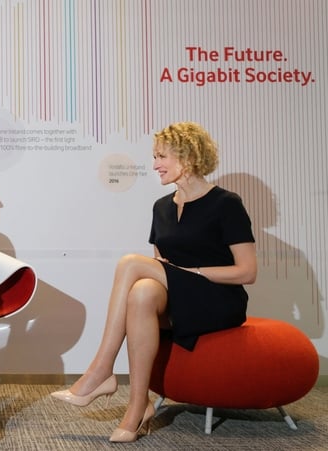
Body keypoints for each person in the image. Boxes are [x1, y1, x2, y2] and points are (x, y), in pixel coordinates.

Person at [51, 122, 257, 443]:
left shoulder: (226, 203)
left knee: (130, 263)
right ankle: (138, 407)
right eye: (154, 156)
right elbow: (160, 265)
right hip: (179, 300)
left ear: (187, 157)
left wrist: (194, 272)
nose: (154, 164)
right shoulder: (161, 207)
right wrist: (174, 274)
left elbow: (247, 272)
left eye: (161, 156)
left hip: (218, 301)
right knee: (143, 290)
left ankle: (101, 370)